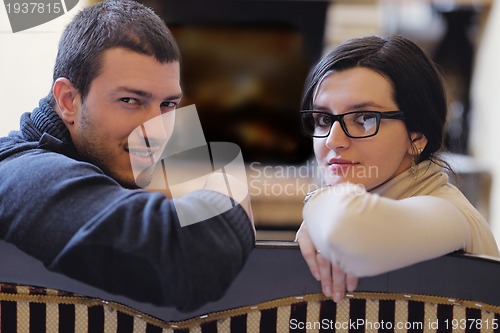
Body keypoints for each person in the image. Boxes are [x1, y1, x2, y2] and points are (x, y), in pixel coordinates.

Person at [0, 0, 255, 312]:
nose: (157, 131)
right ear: (68, 100)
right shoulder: (20, 172)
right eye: (130, 100)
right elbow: (191, 256)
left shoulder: (94, 161)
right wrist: (229, 190)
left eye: (168, 105)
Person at [295, 35, 499, 303]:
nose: (333, 140)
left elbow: (345, 230)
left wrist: (316, 202)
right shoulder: (353, 207)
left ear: (417, 137)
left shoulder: (448, 213)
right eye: (323, 119)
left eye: (365, 118)